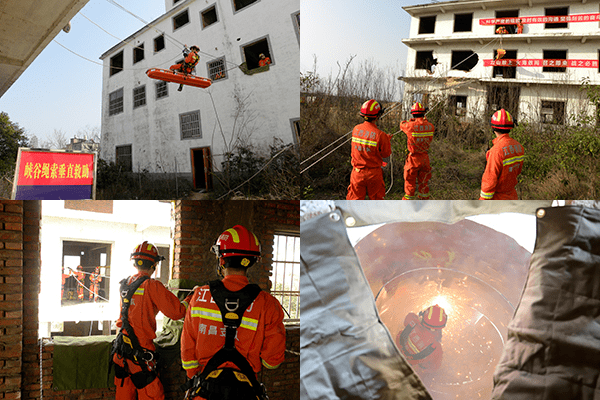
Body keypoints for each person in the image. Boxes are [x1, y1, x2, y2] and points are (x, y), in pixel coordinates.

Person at [181, 225, 286, 400]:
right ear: (252, 261)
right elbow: (272, 361)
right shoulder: (268, 304)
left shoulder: (199, 296)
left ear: (221, 260)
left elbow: (187, 353)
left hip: (204, 393)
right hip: (245, 393)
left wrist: (194, 376)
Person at [112, 241, 187, 400]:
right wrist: (190, 299)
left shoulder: (125, 285)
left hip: (121, 351)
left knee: (124, 394)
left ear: (134, 262)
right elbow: (177, 312)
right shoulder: (152, 286)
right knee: (153, 395)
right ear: (154, 265)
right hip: (141, 352)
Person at [346, 99, 392, 200]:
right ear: (378, 115)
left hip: (357, 173)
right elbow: (385, 155)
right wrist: (386, 141)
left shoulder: (356, 129)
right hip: (374, 174)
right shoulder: (381, 135)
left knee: (354, 203)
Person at [479, 109, 525, 200]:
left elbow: (489, 184)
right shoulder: (519, 147)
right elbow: (516, 171)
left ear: (493, 127)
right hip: (512, 197)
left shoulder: (496, 151)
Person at [396, 305, 447, 373]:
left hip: (396, 350)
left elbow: (410, 315)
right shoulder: (436, 348)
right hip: (410, 366)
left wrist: (419, 319)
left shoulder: (412, 321)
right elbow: (435, 368)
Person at [400, 102, 434, 200]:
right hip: (425, 158)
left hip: (413, 159)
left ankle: (408, 206)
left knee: (410, 184)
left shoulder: (410, 125)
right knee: (424, 184)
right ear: (424, 113)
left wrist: (411, 120)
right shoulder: (430, 126)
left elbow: (402, 124)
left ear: (413, 114)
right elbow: (425, 124)